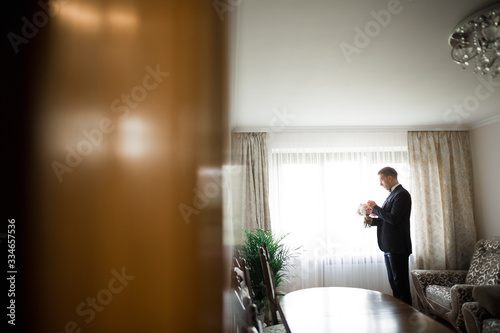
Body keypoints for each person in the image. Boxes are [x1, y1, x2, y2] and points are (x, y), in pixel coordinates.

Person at [366, 167, 412, 305]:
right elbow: (387, 219)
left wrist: (375, 208)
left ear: (389, 178)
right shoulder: (392, 195)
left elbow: (393, 219)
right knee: (394, 285)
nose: (381, 184)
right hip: (389, 247)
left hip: (398, 248)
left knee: (401, 286)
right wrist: (371, 221)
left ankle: (408, 318)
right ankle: (400, 316)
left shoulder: (402, 195)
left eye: (381, 180)